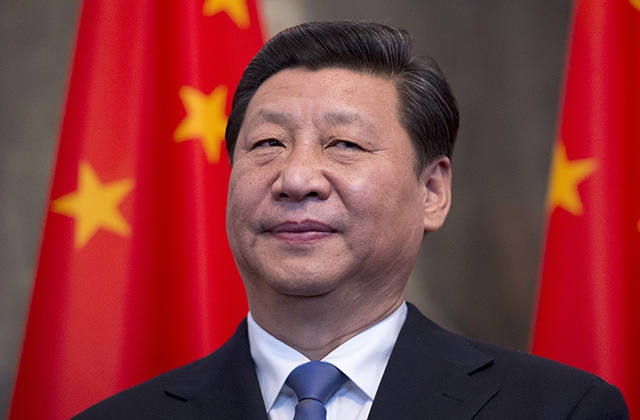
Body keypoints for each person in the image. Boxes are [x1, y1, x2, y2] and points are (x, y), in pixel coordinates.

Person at [74, 20, 629, 419]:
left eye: (344, 143)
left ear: (432, 190)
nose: (296, 178)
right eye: (268, 143)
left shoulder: (560, 409)